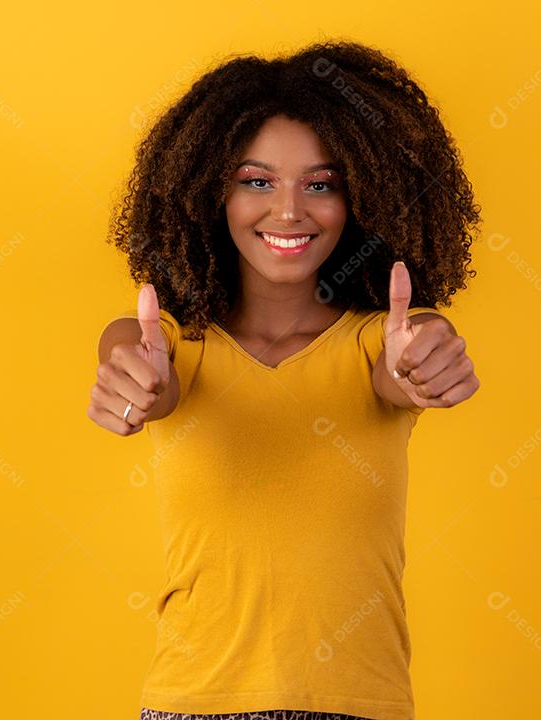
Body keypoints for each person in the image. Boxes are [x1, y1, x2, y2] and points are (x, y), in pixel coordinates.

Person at [89, 40, 482, 720]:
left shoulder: (378, 342)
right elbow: (139, 366)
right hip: (194, 704)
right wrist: (137, 384)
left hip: (360, 706)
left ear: (363, 197)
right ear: (211, 193)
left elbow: (407, 360)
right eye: (257, 181)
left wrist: (428, 359)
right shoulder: (168, 346)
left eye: (321, 184)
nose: (290, 210)